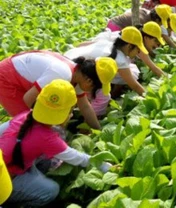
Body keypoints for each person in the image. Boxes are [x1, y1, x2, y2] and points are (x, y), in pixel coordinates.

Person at [0, 79, 112, 207]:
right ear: (66, 113)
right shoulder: (47, 138)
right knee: (51, 190)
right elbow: (78, 158)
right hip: (4, 180)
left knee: (46, 161)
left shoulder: (25, 116)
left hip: (6, 166)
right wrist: (106, 166)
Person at [0, 51, 117, 130]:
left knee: (39, 126)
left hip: (18, 75)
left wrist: (98, 130)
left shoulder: (77, 75)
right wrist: (49, 122)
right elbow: (28, 100)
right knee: (27, 124)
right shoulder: (63, 74)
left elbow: (85, 107)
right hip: (6, 78)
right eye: (95, 88)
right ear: (90, 82)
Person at [65, 26, 149, 100]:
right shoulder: (120, 59)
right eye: (138, 50)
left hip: (68, 58)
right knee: (103, 96)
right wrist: (149, 97)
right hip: (74, 71)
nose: (138, 53)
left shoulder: (109, 43)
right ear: (129, 46)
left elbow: (81, 45)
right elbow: (134, 85)